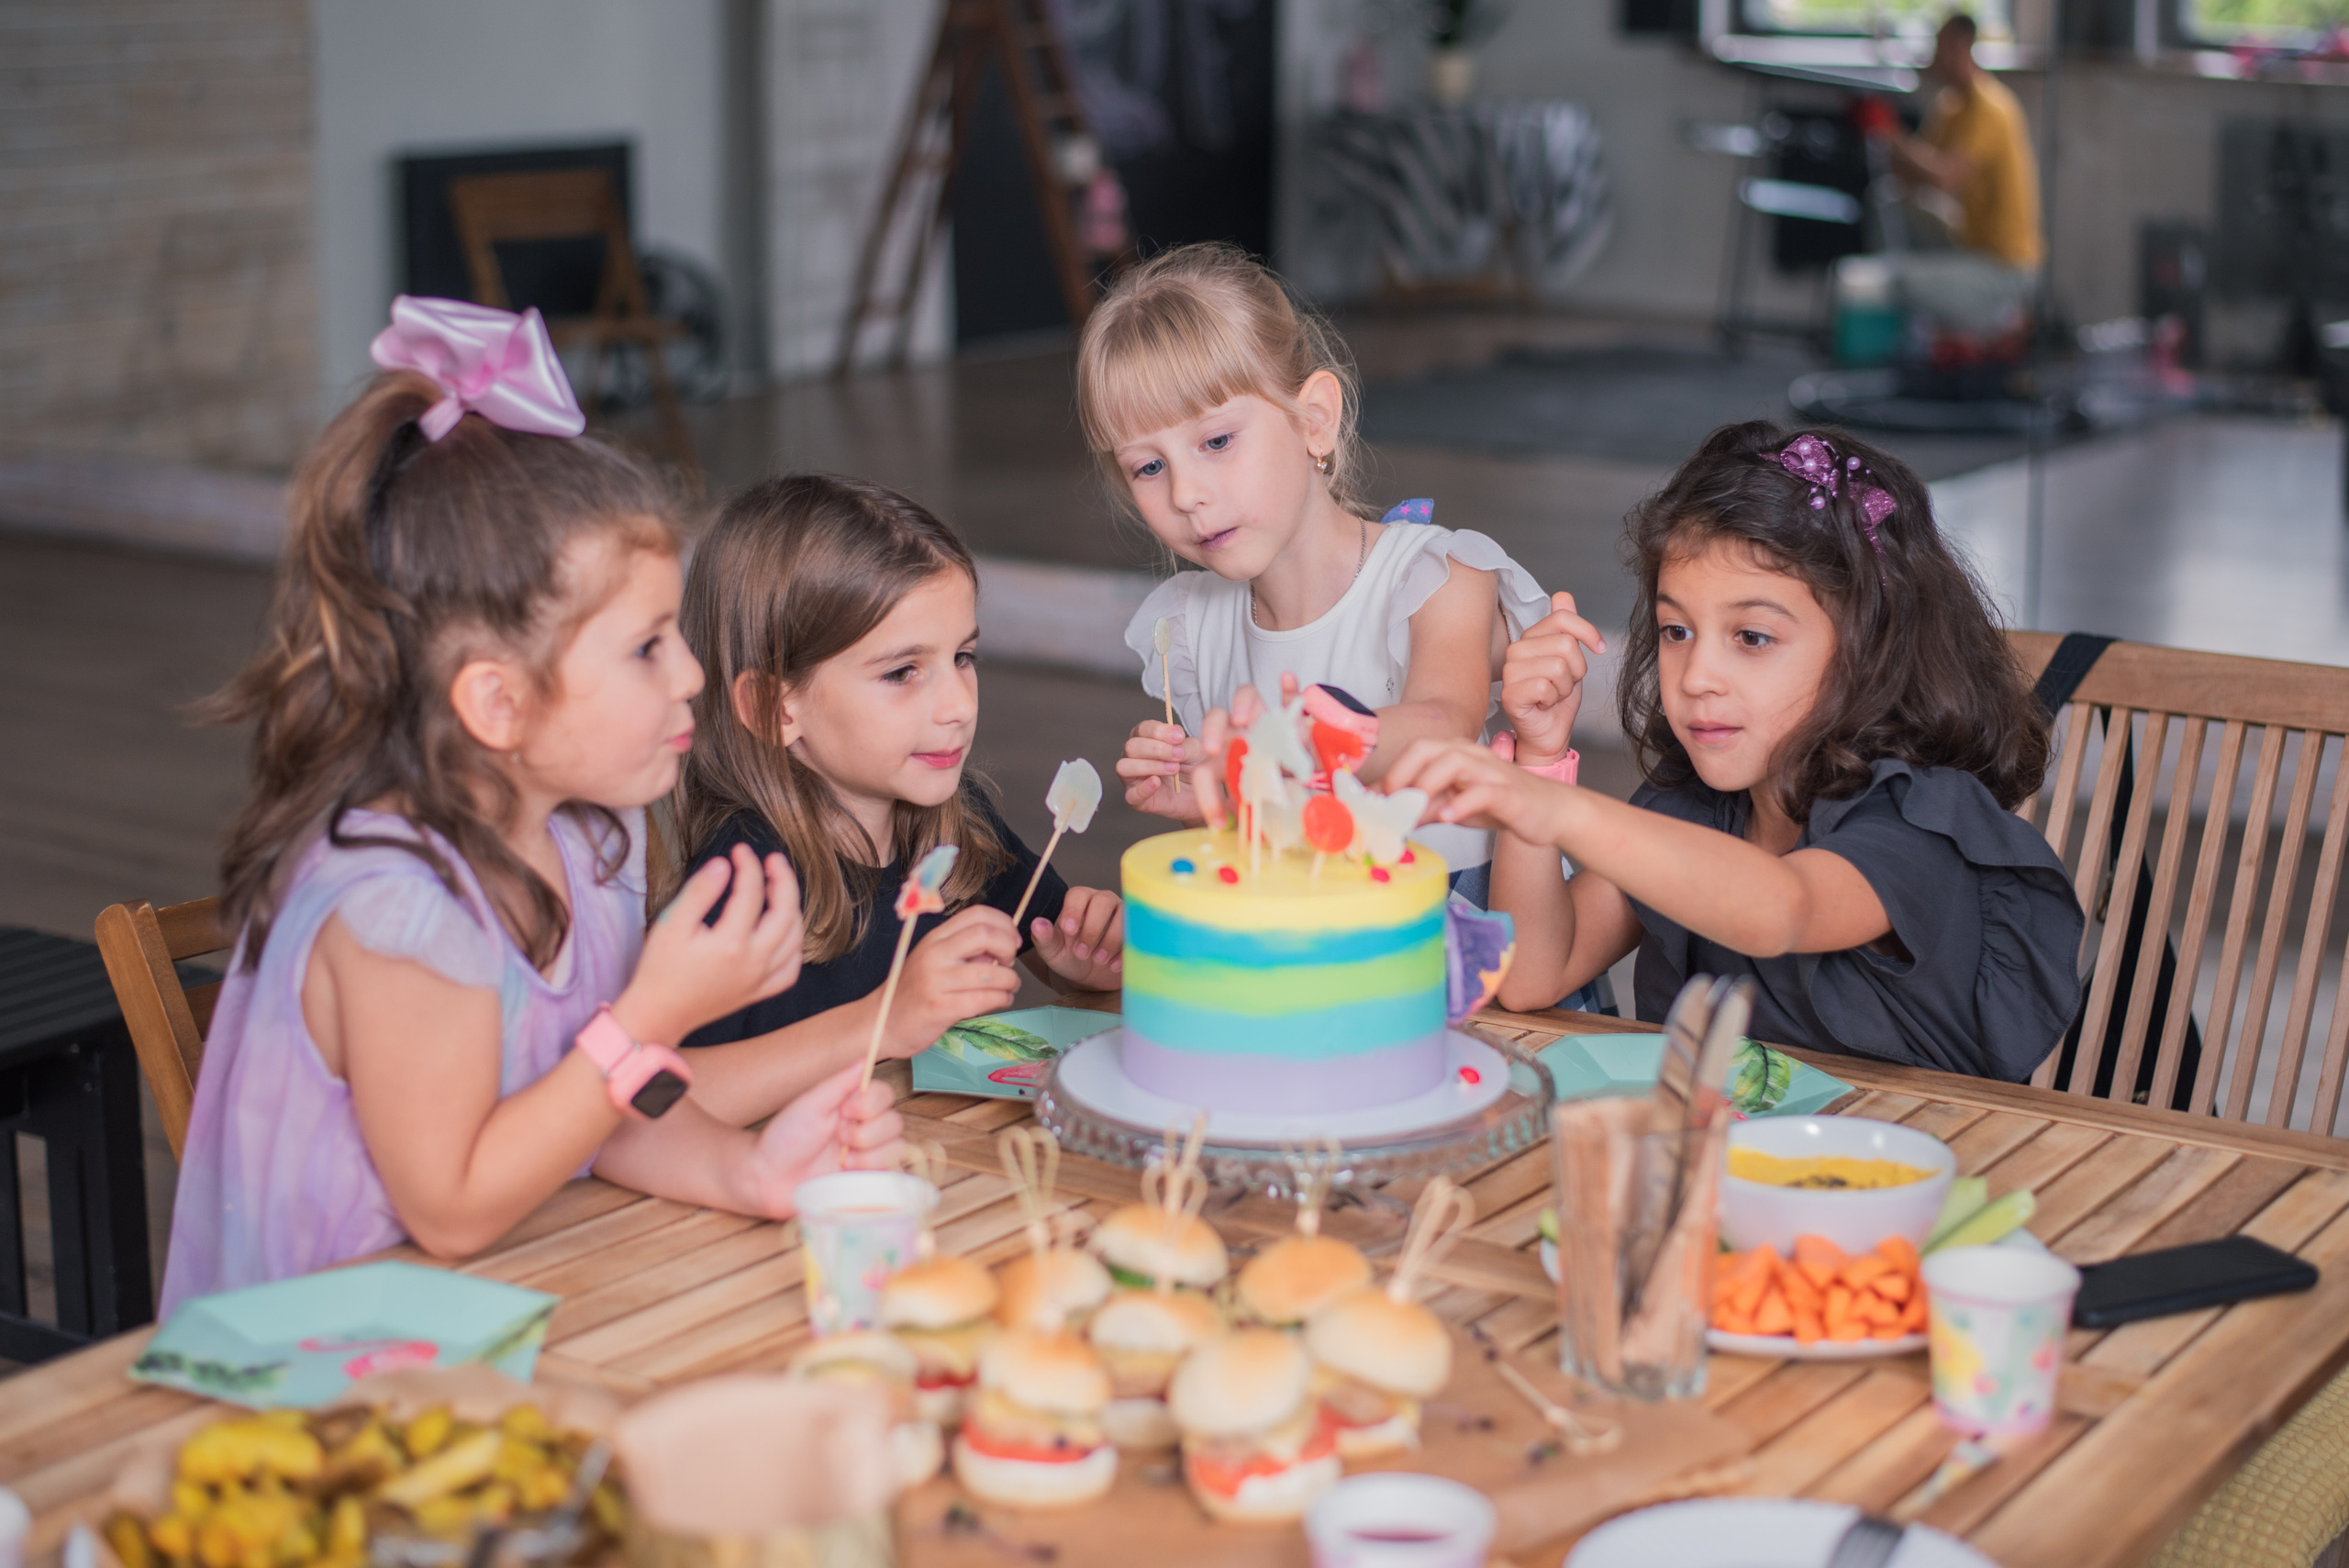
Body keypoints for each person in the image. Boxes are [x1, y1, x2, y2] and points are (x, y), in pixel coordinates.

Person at [161, 300, 901, 1313]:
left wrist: (747, 1170)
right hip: (327, 1353)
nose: (691, 675)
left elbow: (607, 1106)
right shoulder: (396, 905)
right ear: (498, 702)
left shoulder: (590, 838)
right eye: (646, 647)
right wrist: (656, 1010)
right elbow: (453, 1206)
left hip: (512, 1299)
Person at [1385, 421, 2084, 1080]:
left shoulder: (1915, 823)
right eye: (1676, 631)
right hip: (1737, 1157)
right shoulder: (1695, 806)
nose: (1696, 677)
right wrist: (1540, 760)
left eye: (1752, 637)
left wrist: (1556, 811)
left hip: (1916, 1155)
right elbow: (1534, 976)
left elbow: (1781, 906)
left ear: (1870, 649)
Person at [1083, 244, 1613, 1007]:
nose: (1187, 493)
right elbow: (1280, 846)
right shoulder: (1189, 629)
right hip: (1318, 962)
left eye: (1217, 441)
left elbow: (1442, 723)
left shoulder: (1437, 574)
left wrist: (1284, 742)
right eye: (1148, 466)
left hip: (1469, 945)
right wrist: (1217, 799)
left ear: (1314, 420)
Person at [669, 474, 1124, 1109]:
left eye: (963, 658)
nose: (958, 705)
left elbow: (1050, 947)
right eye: (903, 671)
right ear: (776, 707)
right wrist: (880, 1022)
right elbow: (663, 1102)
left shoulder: (959, 824)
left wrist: (1085, 962)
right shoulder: (741, 887)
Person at [1877, 13, 2042, 272]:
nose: (1933, 58)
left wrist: (1893, 138)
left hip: (2003, 264)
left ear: (1960, 47)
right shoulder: (1950, 106)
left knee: (1902, 283)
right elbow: (1916, 173)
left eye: (1939, 47)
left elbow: (1944, 179)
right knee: (1885, 198)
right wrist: (1884, 137)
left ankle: (1902, 281)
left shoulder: (1990, 108)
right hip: (1969, 242)